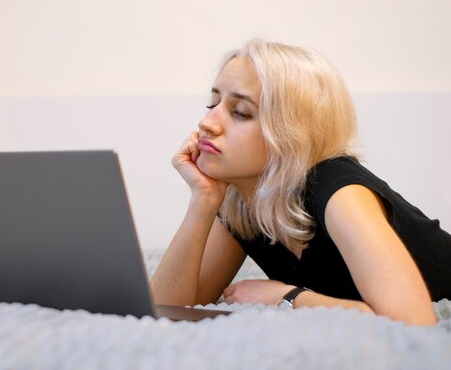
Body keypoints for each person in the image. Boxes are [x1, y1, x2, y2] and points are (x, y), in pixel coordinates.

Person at [150, 38, 451, 326]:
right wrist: (202, 199)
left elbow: (413, 321)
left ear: (290, 133)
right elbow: (165, 310)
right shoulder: (243, 201)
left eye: (240, 112)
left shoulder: (339, 190)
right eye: (212, 104)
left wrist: (288, 297)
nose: (207, 123)